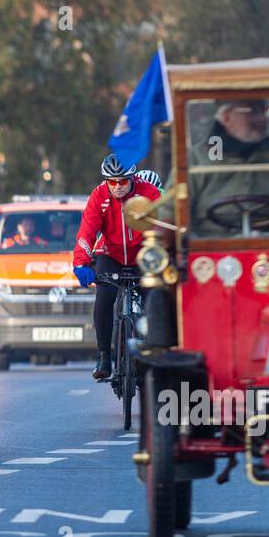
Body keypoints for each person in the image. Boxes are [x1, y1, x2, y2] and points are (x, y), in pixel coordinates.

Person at [72, 154, 162, 380]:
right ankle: (104, 356)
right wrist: (81, 262)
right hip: (110, 254)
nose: (118, 187)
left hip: (142, 254)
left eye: (123, 181)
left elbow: (166, 225)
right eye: (112, 182)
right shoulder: (99, 195)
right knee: (105, 296)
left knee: (155, 298)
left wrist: (164, 257)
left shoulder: (149, 193)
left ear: (132, 178)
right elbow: (86, 231)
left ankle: (155, 351)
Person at [189, 99, 269, 235]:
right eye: (253, 111)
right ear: (226, 117)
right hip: (211, 247)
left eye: (264, 111)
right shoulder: (198, 158)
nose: (263, 119)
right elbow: (172, 208)